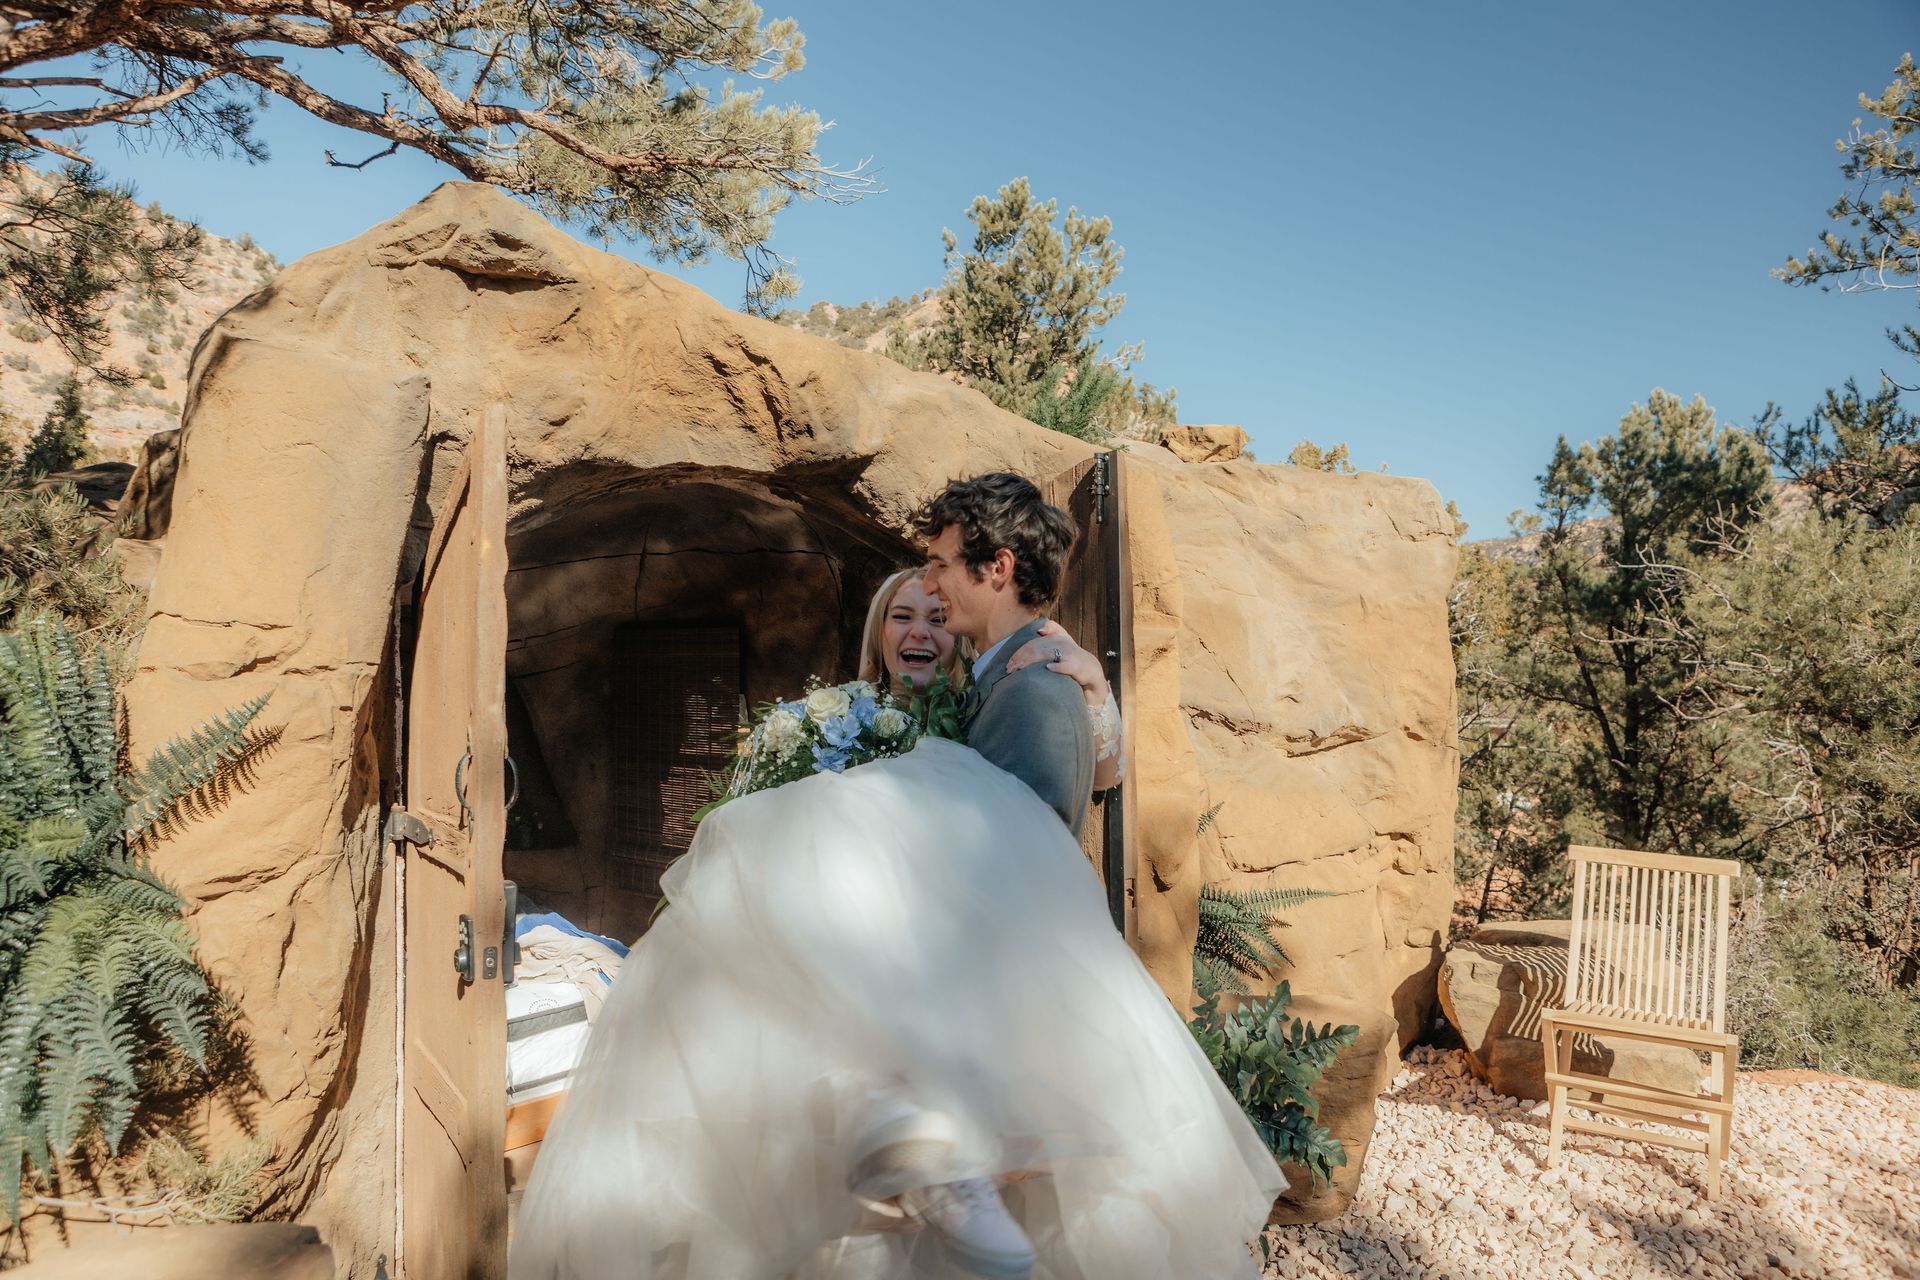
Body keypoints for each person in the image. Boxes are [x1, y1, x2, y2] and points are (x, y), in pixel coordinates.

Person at [508, 474, 1283, 1280]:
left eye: (945, 564)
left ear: (997, 567)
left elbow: (1014, 872)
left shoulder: (1032, 696)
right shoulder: (1012, 683)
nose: (936, 585)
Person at [856, 566, 1124, 794]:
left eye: (938, 619)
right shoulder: (833, 722)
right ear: (880, 631)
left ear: (958, 634)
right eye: (902, 617)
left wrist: (1092, 681)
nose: (919, 632)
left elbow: (1105, 779)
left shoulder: (988, 709)